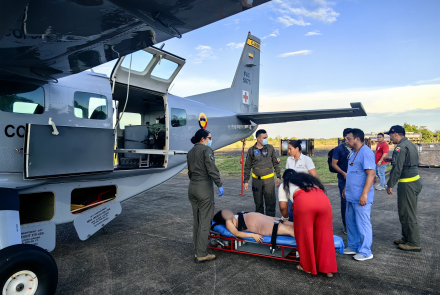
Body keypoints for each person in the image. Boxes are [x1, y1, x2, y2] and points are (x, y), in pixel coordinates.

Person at [282, 169, 337, 277]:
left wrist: (285, 218)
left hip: (304, 203)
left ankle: (307, 267)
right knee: (325, 236)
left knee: (305, 235)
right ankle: (327, 269)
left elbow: (283, 207)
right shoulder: (310, 180)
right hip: (324, 202)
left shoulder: (285, 185)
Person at [187, 129, 224, 263]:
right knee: (205, 221)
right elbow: (211, 168)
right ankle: (202, 253)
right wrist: (219, 184)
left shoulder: (191, 152)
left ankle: (197, 250)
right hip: (203, 188)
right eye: (209, 137)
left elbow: (190, 171)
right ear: (202, 139)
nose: (210, 140)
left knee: (197, 220)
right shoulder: (206, 150)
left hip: (192, 187)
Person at [385, 125, 422, 252]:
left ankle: (414, 242)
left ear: (395, 134)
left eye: (390, 135)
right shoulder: (410, 144)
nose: (390, 138)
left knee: (407, 214)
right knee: (405, 212)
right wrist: (392, 160)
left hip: (407, 184)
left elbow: (397, 169)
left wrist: (390, 184)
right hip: (414, 182)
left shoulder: (400, 147)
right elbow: (407, 162)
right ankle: (406, 238)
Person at [342, 128, 376, 261]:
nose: (346, 140)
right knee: (351, 222)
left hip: (361, 196)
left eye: (348, 138)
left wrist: (364, 194)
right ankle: (354, 246)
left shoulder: (366, 152)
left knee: (363, 223)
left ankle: (366, 251)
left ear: (357, 139)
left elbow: (371, 174)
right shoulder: (353, 152)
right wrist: (346, 188)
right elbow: (351, 173)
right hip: (351, 195)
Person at [243, 129, 281, 217]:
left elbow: (276, 163)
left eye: (266, 137)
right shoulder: (251, 150)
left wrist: (278, 176)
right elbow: (247, 166)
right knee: (258, 204)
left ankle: (271, 224)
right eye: (264, 138)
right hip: (256, 181)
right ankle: (260, 224)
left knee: (270, 203)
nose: (266, 139)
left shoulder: (270, 148)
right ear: (258, 139)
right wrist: (246, 181)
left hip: (269, 181)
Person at [280, 140, 317, 222]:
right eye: (288, 149)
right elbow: (287, 174)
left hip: (303, 192)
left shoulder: (307, 160)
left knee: (302, 212)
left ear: (297, 148)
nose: (288, 151)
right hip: (291, 191)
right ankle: (292, 231)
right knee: (290, 211)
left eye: (290, 149)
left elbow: (314, 177)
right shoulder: (289, 160)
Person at [212, 210, 295, 242]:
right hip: (261, 225)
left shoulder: (232, 216)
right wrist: (253, 235)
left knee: (294, 224)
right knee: (289, 229)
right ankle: (307, 244)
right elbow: (236, 233)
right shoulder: (228, 221)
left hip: (264, 218)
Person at [331, 128, 352, 234]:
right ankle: (345, 224)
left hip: (354, 180)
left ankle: (352, 223)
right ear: (345, 137)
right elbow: (333, 164)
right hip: (343, 180)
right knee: (345, 202)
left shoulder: (356, 148)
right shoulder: (339, 149)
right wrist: (344, 173)